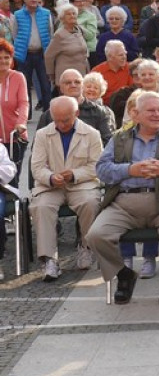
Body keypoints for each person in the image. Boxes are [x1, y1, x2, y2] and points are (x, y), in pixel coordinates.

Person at [86, 91, 159, 304]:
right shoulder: (119, 138)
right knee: (95, 235)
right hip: (124, 203)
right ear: (136, 114)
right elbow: (101, 170)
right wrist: (130, 170)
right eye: (151, 110)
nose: (157, 114)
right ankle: (124, 275)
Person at [29, 96, 103, 281]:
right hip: (51, 186)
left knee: (90, 202)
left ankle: (86, 247)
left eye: (66, 120)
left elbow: (97, 166)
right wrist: (51, 177)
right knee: (41, 207)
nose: (61, 124)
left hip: (81, 184)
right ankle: (49, 259)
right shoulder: (42, 134)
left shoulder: (92, 133)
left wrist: (75, 174)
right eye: (57, 120)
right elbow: (37, 167)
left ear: (76, 114)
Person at [13, 0, 52, 110]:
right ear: (24, 0)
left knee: (45, 84)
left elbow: (51, 32)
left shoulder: (46, 13)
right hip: (25, 55)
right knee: (25, 85)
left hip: (42, 53)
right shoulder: (18, 14)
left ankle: (48, 112)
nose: (34, 0)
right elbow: (15, 33)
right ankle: (27, 113)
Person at [0, 39, 28, 178]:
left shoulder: (18, 77)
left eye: (7, 57)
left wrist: (21, 122)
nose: (3, 61)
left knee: (13, 177)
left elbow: (24, 103)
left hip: (15, 137)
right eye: (0, 58)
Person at [45, 4, 89, 85]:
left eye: (74, 13)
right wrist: (51, 74)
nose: (72, 16)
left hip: (81, 74)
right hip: (66, 76)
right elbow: (48, 55)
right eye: (68, 14)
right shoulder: (59, 35)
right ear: (62, 18)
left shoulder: (79, 30)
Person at [90, 40, 131, 106]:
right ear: (109, 57)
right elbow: (92, 95)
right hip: (104, 107)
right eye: (121, 55)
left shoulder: (130, 68)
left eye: (125, 54)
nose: (124, 57)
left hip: (126, 106)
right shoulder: (97, 72)